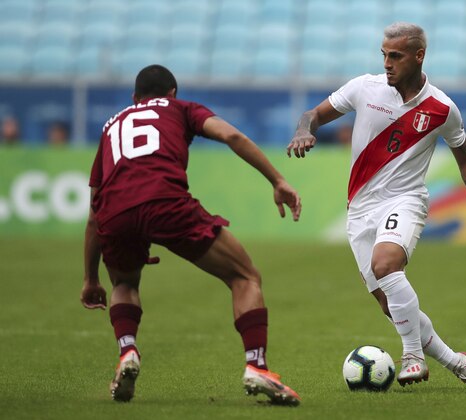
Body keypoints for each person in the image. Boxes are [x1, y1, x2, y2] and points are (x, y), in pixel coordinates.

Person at [287, 22, 466, 390]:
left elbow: (465, 156)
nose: (387, 63)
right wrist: (304, 129)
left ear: (419, 56)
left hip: (405, 201)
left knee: (386, 264)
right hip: (359, 210)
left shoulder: (441, 108)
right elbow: (314, 114)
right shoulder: (364, 88)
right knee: (392, 307)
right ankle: (461, 365)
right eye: (384, 55)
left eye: (396, 56)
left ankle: (412, 356)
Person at [81, 65, 302, 405]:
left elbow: (96, 210)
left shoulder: (112, 125)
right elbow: (233, 136)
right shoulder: (182, 108)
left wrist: (90, 278)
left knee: (123, 284)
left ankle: (127, 352)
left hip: (116, 212)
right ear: (172, 94)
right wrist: (277, 180)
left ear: (134, 98)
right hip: (165, 203)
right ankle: (256, 366)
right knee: (245, 276)